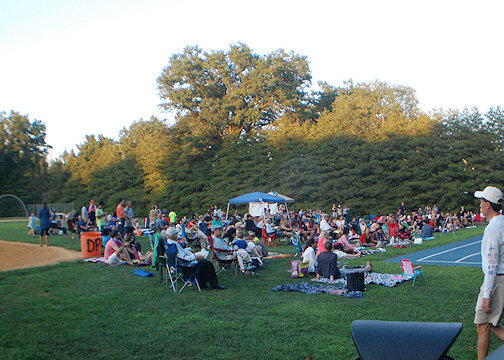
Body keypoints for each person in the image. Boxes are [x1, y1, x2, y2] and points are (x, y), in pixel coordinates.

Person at [473, 186, 504, 359]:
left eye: (482, 201)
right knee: (486, 324)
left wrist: (486, 295)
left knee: (483, 324)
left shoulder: (493, 228)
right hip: (499, 280)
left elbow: (492, 264)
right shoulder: (502, 222)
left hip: (496, 281)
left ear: (488, 205)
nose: (480, 204)